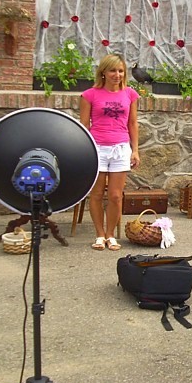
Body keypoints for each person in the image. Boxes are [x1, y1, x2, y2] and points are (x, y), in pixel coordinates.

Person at [80, 53, 140, 251]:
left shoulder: (130, 94)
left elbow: (132, 123)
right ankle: (99, 234)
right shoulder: (90, 95)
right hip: (96, 148)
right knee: (96, 194)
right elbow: (83, 125)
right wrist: (84, 151)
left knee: (115, 196)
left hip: (121, 148)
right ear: (103, 72)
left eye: (121, 70)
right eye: (113, 70)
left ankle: (111, 235)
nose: (117, 74)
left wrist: (135, 150)